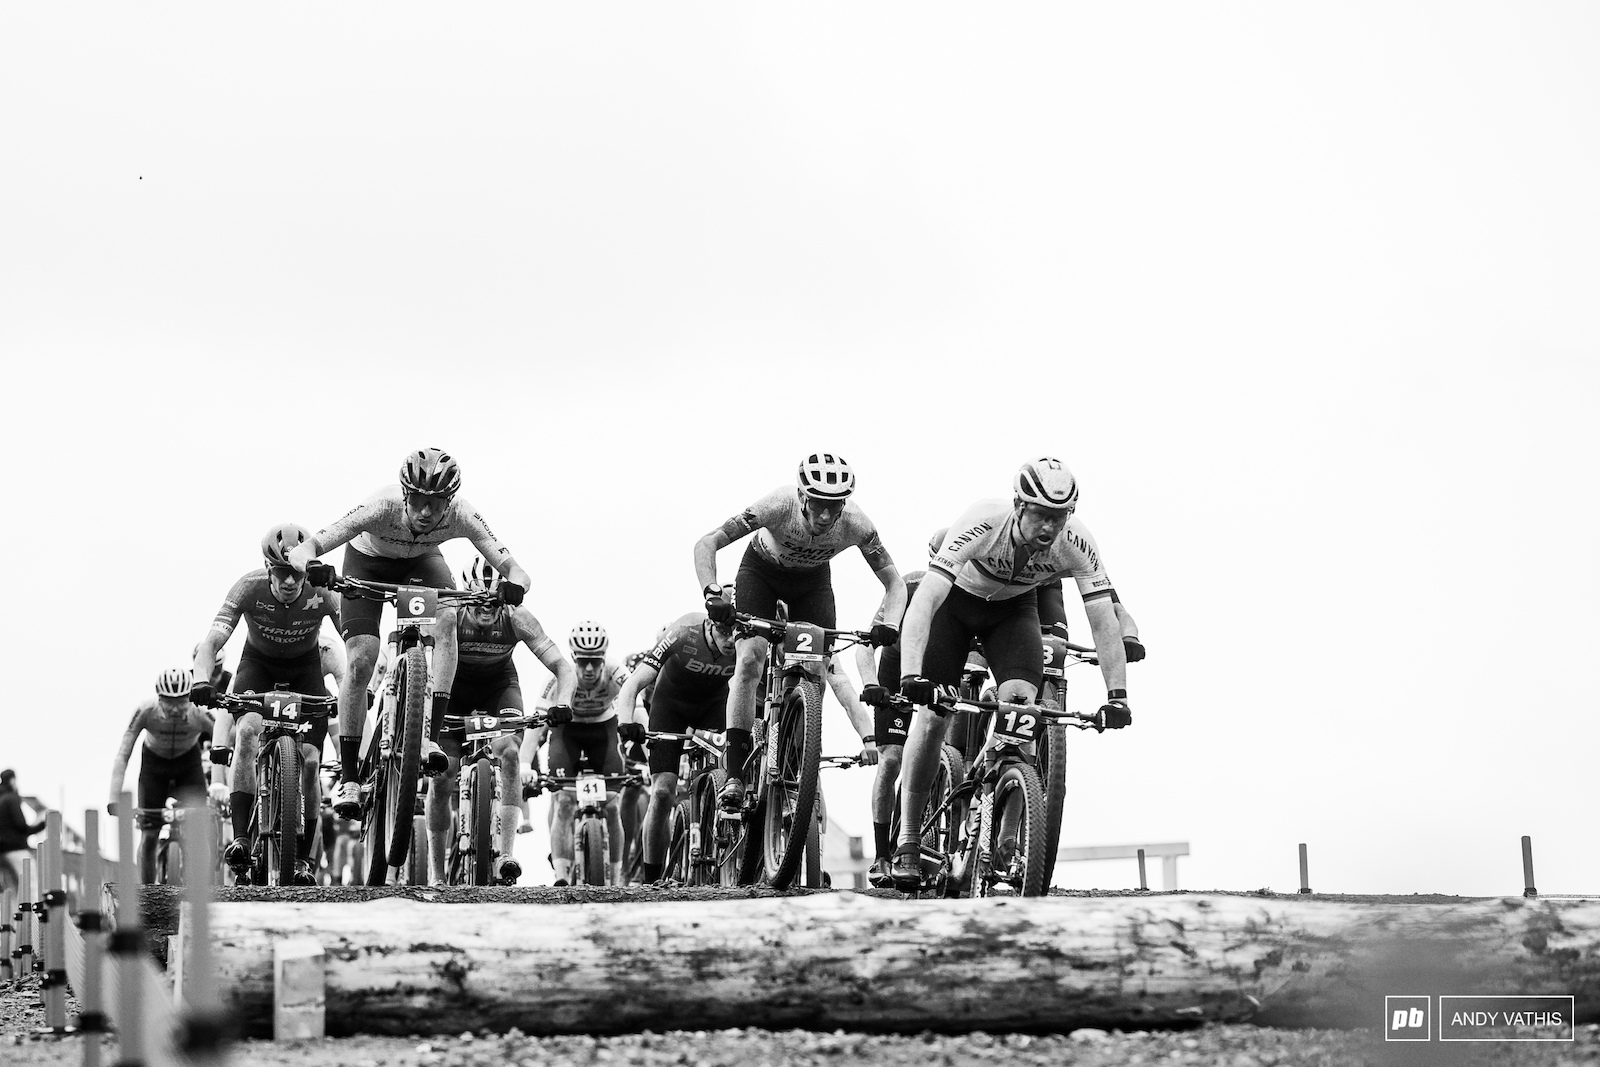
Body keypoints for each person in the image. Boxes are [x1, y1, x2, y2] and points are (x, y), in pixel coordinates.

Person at [888, 457, 1134, 889]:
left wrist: (1118, 695)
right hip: (957, 608)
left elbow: (1101, 619)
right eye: (1040, 514)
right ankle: (908, 839)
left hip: (1014, 612)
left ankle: (1005, 821)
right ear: (1019, 505)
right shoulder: (983, 521)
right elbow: (925, 600)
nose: (1048, 528)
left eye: (1058, 517)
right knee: (931, 718)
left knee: (1022, 708)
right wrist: (912, 674)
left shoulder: (1076, 541)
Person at [283, 448, 535, 821]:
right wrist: (315, 566)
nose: (425, 513)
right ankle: (350, 778)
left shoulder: (463, 514)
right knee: (362, 658)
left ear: (448, 501)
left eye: (435, 504)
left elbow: (516, 569)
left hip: (421, 562)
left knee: (447, 620)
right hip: (366, 563)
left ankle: (428, 734)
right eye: (416, 500)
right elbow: (306, 548)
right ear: (404, 493)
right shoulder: (379, 507)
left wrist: (514, 585)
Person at [693, 452, 901, 812]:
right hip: (761, 574)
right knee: (750, 661)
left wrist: (890, 624)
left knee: (819, 670)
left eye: (833, 507)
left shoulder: (857, 524)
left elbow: (895, 584)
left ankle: (794, 758)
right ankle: (735, 775)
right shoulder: (776, 505)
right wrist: (712, 592)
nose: (824, 516)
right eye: (818, 504)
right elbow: (707, 542)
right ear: (803, 496)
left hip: (813, 584)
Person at [194, 523, 344, 882]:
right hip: (257, 667)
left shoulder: (322, 591)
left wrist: (358, 683)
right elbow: (211, 643)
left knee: (309, 760)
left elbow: (353, 641)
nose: (290, 582)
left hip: (306, 670)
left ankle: (304, 858)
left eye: (296, 572)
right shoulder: (248, 588)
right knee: (246, 732)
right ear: (267, 569)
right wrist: (201, 679)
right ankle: (242, 839)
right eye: (281, 572)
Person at [423, 557, 574, 885]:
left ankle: (506, 853)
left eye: (494, 601)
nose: (486, 608)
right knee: (444, 772)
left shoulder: (516, 618)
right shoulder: (451, 616)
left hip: (499, 688)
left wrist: (562, 703)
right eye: (478, 600)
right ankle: (436, 872)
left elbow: (563, 668)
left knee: (507, 751)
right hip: (453, 691)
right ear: (466, 596)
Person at [609, 607, 738, 884]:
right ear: (709, 625)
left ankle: (722, 852)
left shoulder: (743, 643)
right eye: (723, 632)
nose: (730, 640)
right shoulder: (684, 631)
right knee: (663, 793)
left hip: (714, 707)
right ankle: (652, 878)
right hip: (671, 707)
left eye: (734, 632)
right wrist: (626, 722)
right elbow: (633, 684)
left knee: (728, 781)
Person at [534, 622, 629, 885]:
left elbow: (636, 706)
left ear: (604, 659)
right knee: (563, 800)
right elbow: (537, 723)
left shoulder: (616, 671)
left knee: (612, 803)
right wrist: (523, 762)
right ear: (574, 659)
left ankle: (617, 876)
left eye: (595, 662)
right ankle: (562, 876)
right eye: (583, 662)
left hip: (604, 730)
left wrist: (642, 742)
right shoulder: (558, 677)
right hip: (569, 732)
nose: (589, 669)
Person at [107, 668, 219, 884]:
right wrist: (114, 798)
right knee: (149, 835)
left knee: (200, 831)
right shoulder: (146, 711)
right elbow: (123, 755)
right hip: (154, 768)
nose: (175, 708)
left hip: (188, 766)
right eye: (169, 701)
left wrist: (221, 785)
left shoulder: (200, 713)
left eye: (181, 701)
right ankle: (147, 893)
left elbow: (224, 745)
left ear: (190, 698)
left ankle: (207, 889)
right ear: (159, 698)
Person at [852, 570, 926, 886]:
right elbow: (864, 646)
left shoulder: (968, 590)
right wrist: (871, 684)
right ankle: (882, 855)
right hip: (896, 672)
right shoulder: (907, 588)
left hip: (934, 669)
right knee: (892, 759)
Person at [0, 769, 46, 894]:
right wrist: (41, 826)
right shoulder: (11, 798)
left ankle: (14, 913)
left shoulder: (1, 799)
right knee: (30, 884)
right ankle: (31, 913)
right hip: (16, 849)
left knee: (12, 890)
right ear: (12, 780)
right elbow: (20, 826)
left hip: (2, 851)